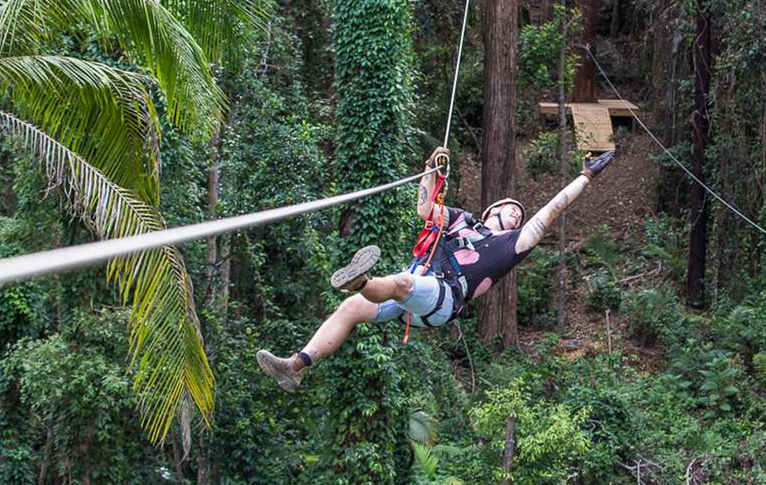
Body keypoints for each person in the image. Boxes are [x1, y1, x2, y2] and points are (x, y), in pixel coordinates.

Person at [255, 146, 615, 390]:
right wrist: (431, 169)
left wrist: (585, 176)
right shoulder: (462, 221)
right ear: (492, 210)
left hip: (443, 298)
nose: (517, 215)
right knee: (351, 308)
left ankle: (362, 280)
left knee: (402, 284)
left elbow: (549, 212)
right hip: (421, 282)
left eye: (519, 216)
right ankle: (295, 367)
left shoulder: (511, 245)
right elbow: (425, 210)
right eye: (511, 209)